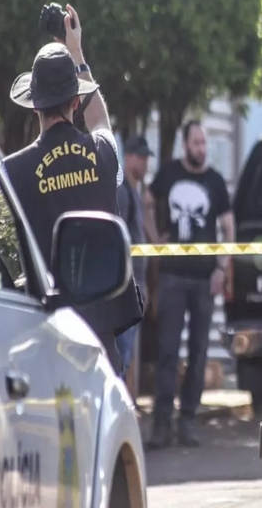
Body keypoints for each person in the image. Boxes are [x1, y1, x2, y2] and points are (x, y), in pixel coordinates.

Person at [1, 4, 142, 375]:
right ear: (75, 101)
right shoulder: (103, 155)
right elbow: (102, 123)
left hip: (42, 347)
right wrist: (76, 51)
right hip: (99, 347)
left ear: (35, 108)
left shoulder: (10, 173)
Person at [145, 120, 235, 449]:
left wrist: (222, 268)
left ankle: (188, 422)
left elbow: (228, 225)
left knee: (198, 353)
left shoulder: (214, 182)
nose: (201, 148)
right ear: (185, 145)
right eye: (196, 143)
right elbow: (146, 202)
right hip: (171, 276)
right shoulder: (168, 174)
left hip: (202, 279)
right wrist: (156, 240)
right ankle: (161, 424)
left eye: (204, 143)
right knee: (168, 351)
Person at [115, 134, 157, 377]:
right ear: (128, 157)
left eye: (146, 158)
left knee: (128, 355)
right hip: (126, 289)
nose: (145, 163)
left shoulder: (135, 194)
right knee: (122, 355)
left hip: (136, 287)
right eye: (140, 157)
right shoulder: (122, 193)